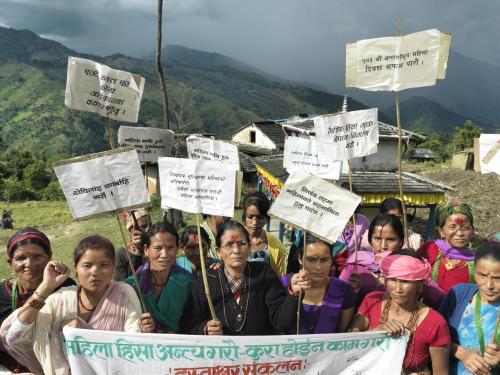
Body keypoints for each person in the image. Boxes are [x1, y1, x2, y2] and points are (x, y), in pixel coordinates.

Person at [1, 235, 153, 375]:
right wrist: (45, 288)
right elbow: (15, 336)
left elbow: (133, 344)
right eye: (87, 265)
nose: (95, 272)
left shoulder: (123, 293)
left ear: (113, 267)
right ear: (76, 269)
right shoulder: (60, 299)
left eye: (104, 265)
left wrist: (82, 334)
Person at [180, 220, 309, 335]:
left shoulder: (263, 274)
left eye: (241, 243)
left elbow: (281, 322)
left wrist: (294, 294)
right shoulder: (207, 280)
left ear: (249, 247)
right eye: (229, 245)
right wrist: (205, 329)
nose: (236, 250)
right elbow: (187, 322)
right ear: (219, 252)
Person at [350, 249, 450, 375]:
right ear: (385, 280)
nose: (398, 289)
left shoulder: (435, 323)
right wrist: (376, 332)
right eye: (392, 280)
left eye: (405, 281)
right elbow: (349, 344)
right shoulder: (372, 301)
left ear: (419, 284)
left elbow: (441, 373)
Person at [0, 228, 75, 373]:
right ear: (10, 262)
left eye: (37, 256)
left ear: (49, 257)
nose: (29, 263)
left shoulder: (65, 287)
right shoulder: (2, 294)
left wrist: (47, 286)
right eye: (21, 258)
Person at [439, 242, 500, 375]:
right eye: (482, 275)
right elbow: (433, 337)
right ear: (474, 271)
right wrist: (461, 352)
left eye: (497, 278)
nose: (489, 285)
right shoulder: (459, 294)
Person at [126, 221, 194, 333]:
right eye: (158, 248)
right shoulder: (132, 285)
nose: (165, 254)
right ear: (146, 250)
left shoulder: (188, 283)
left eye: (170, 248)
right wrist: (138, 326)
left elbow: (193, 322)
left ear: (177, 249)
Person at [280, 233, 356, 334]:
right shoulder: (282, 285)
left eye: (324, 260)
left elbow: (344, 338)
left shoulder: (343, 290)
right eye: (311, 260)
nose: (318, 267)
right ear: (300, 258)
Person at [418, 202, 475, 292]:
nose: (460, 233)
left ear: (472, 231)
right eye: (452, 227)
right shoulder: (429, 248)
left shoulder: (478, 261)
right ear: (441, 231)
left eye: (465, 228)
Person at [242, 192, 288, 275]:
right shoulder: (233, 240)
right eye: (250, 217)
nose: (255, 222)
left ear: (267, 218)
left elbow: (281, 279)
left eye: (260, 217)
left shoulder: (276, 247)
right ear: (244, 217)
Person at [113, 208, 150, 281]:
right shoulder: (121, 254)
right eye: (143, 226)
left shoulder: (155, 247)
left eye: (150, 224)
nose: (148, 229)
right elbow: (120, 284)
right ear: (131, 230)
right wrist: (138, 252)